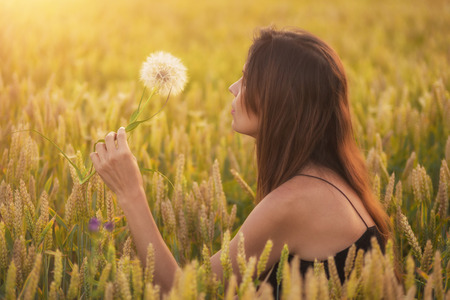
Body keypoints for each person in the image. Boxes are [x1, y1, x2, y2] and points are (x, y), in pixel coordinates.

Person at [90, 27, 390, 296]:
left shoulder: (293, 201)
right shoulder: (328, 180)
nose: (232, 87)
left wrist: (130, 194)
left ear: (279, 99)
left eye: (247, 79)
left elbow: (182, 292)